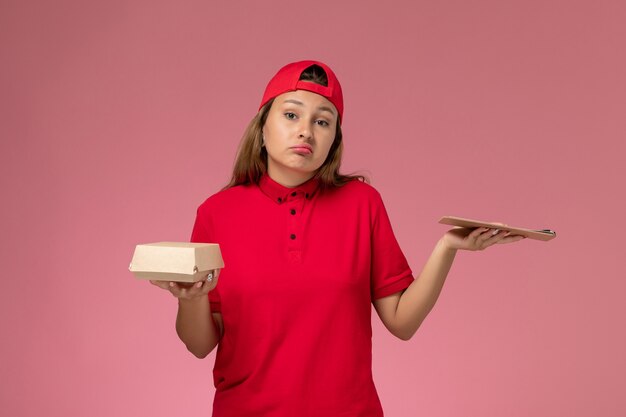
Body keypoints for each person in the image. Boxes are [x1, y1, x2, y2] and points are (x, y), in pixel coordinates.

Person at [150, 60, 525, 416]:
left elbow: (402, 323)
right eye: (291, 114)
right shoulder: (217, 213)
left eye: (323, 121)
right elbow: (200, 345)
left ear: (334, 139)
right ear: (262, 128)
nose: (306, 131)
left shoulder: (363, 205)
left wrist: (448, 248)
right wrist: (192, 299)